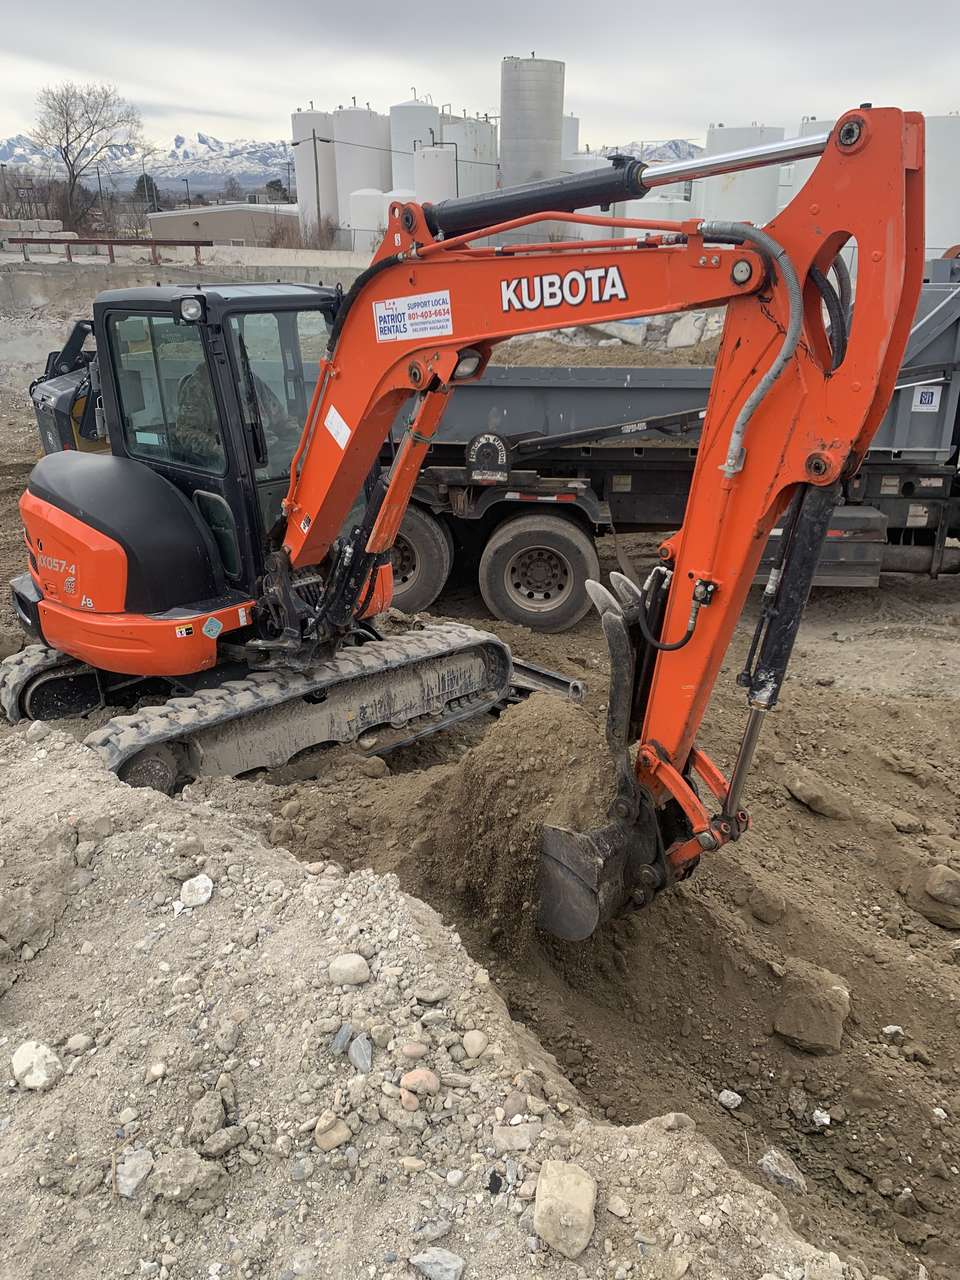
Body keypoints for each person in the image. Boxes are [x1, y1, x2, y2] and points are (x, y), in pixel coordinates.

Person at [174, 361, 298, 469]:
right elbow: (185, 431)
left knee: (302, 458)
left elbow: (281, 419)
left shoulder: (251, 380)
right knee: (260, 473)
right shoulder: (199, 386)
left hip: (265, 448)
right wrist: (218, 448)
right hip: (230, 459)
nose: (241, 357)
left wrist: (301, 437)